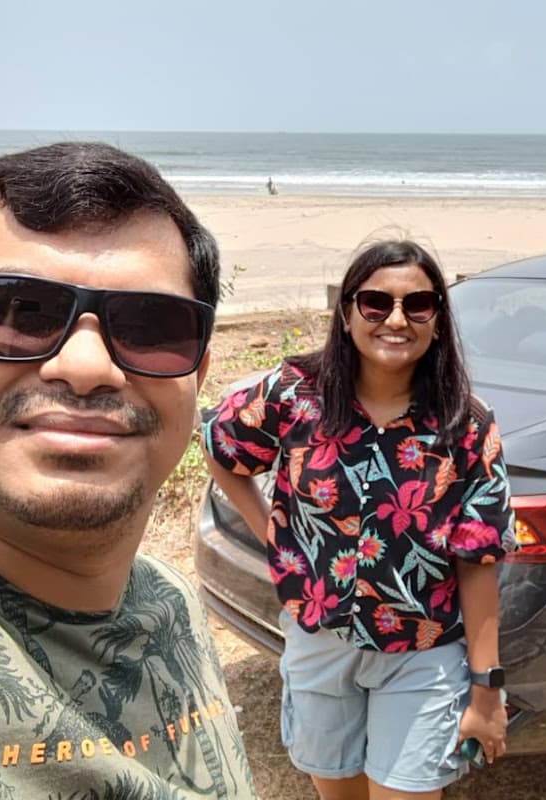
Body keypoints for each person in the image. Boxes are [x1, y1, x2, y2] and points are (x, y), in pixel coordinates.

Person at [0, 142, 257, 799]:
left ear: (197, 374)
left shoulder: (169, 600)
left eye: (151, 326)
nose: (88, 366)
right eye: (18, 312)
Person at [202, 239, 516, 800]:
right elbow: (222, 446)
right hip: (319, 641)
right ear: (347, 314)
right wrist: (273, 535)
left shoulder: (466, 424)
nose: (395, 320)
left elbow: (478, 561)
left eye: (417, 305)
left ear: (437, 322)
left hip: (422, 653)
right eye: (376, 303)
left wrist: (486, 689)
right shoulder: (295, 395)